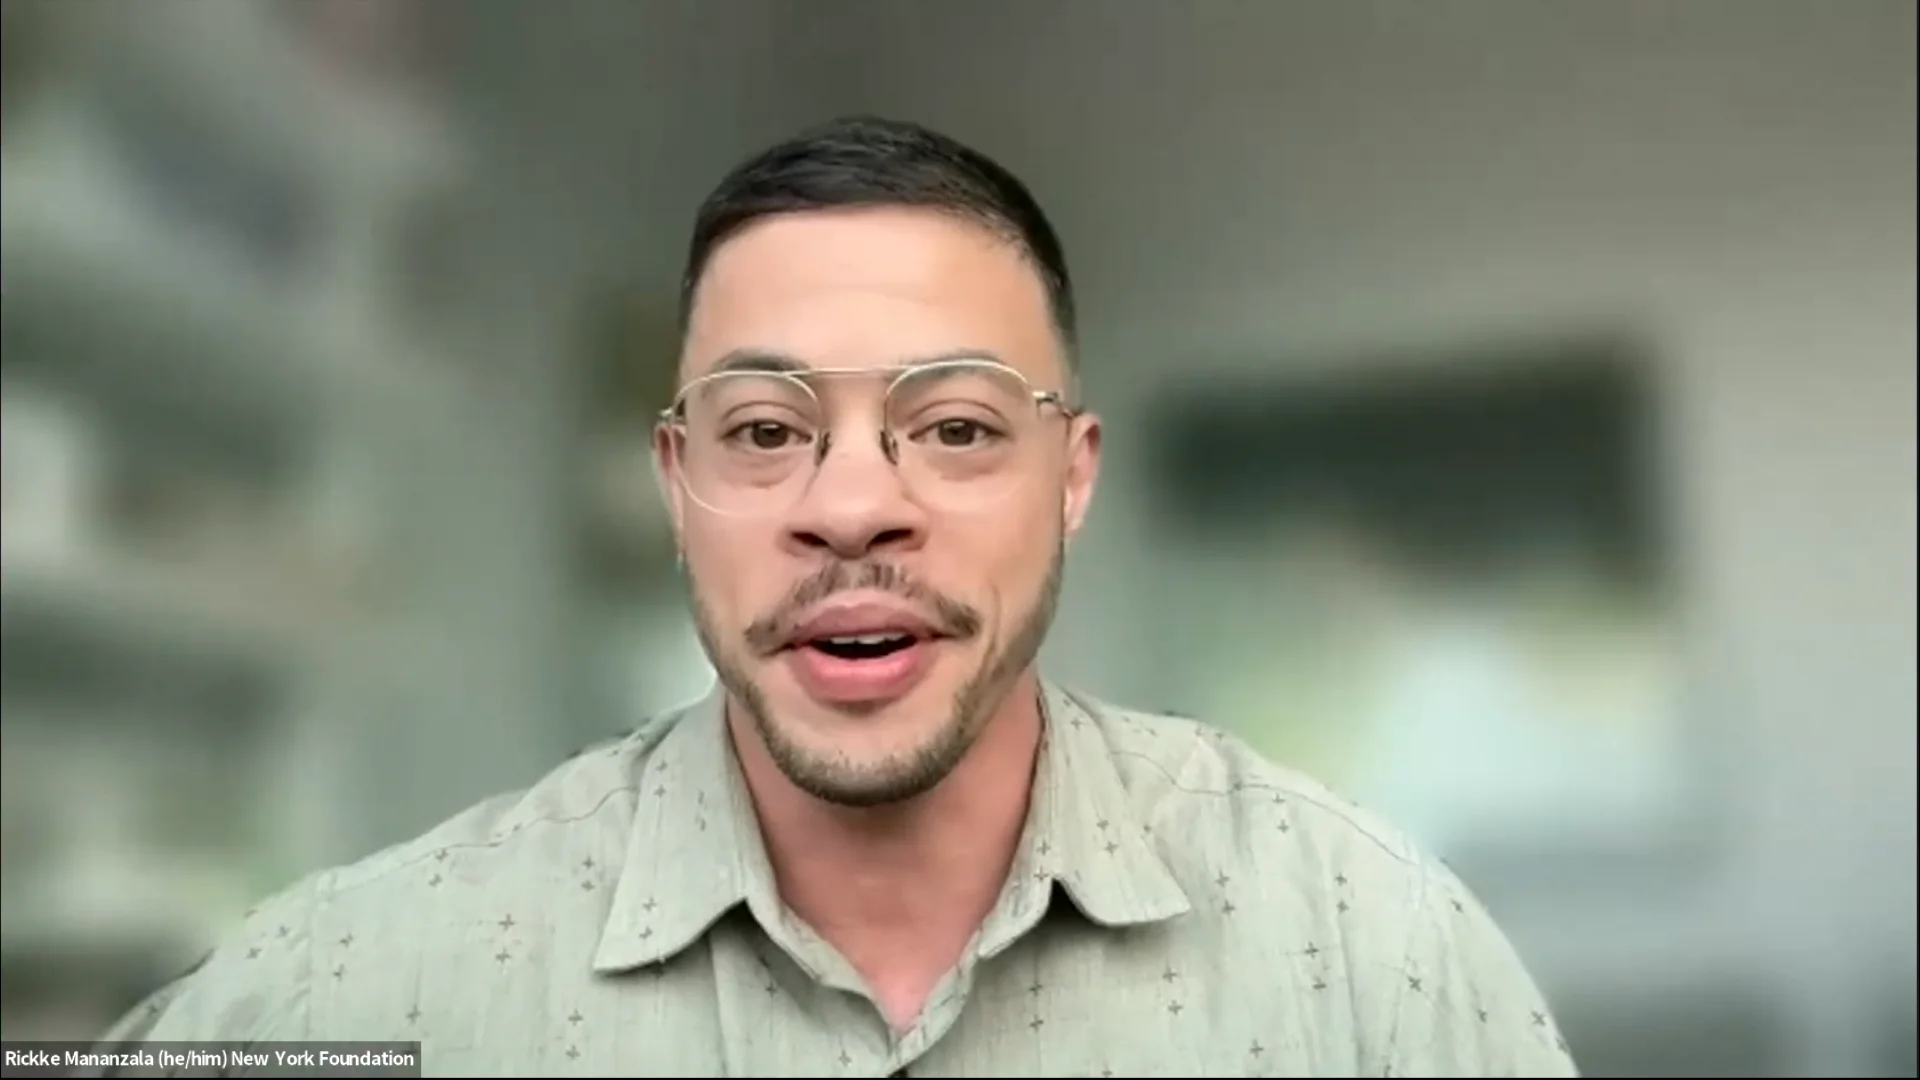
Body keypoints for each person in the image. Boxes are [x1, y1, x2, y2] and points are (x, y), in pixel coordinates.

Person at [99, 116, 1580, 1077]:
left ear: (1072, 477)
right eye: (763, 431)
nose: (854, 505)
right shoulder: (362, 979)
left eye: (956, 427)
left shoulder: (1373, 953)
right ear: (677, 482)